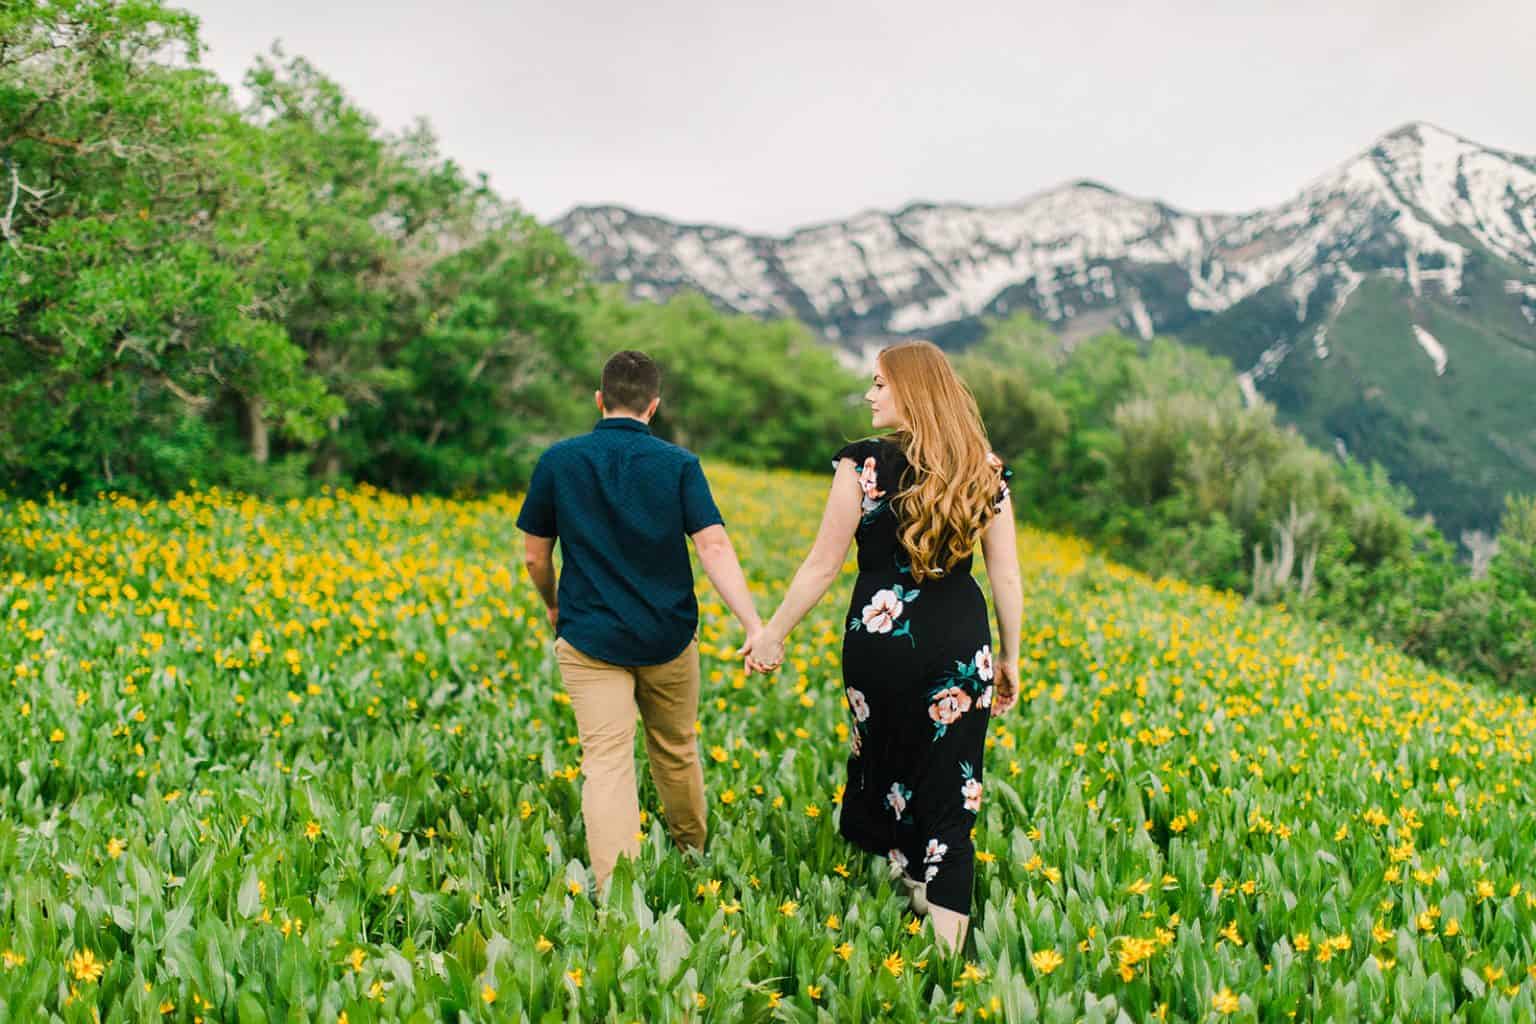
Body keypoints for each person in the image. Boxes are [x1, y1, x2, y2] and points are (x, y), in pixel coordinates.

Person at [742, 339, 1023, 953]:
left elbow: (822, 565)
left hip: (879, 642)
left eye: (879, 383)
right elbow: (1005, 574)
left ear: (911, 390)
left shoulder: (862, 466)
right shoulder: (986, 468)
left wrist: (772, 632)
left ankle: (911, 873)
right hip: (960, 643)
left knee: (888, 763)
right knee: (954, 787)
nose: (869, 394)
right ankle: (948, 948)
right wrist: (1010, 656)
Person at [517, 350, 763, 892]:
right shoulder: (678, 464)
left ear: (599, 400)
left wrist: (554, 605)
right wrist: (752, 624)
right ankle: (692, 853)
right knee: (676, 747)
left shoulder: (559, 460)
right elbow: (714, 546)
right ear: (654, 406)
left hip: (589, 636)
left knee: (605, 762)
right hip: (668, 636)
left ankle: (616, 894)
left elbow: (535, 555)